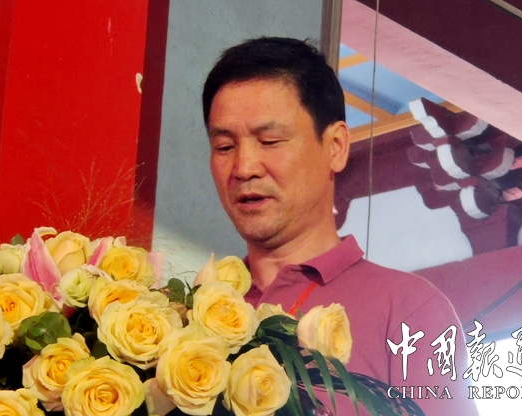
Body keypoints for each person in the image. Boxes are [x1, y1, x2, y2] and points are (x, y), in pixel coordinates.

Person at [202, 37, 479, 416]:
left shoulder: (409, 312)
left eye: (270, 140)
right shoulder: (197, 310)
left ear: (335, 146)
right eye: (224, 147)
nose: (244, 167)